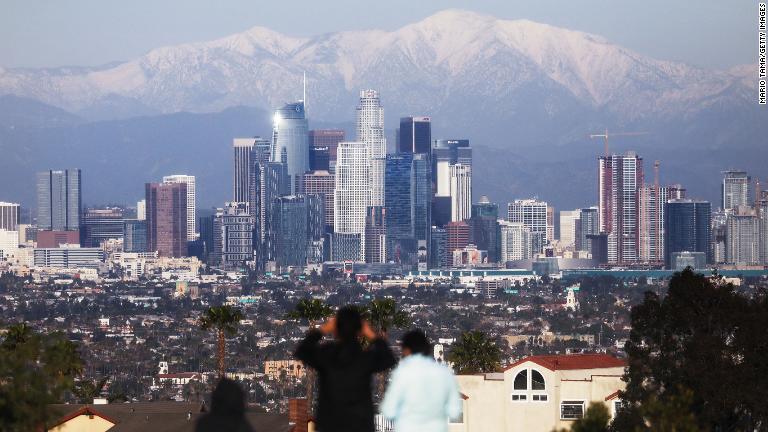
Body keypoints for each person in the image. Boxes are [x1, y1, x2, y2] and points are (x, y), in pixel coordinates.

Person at [294, 305, 396, 432]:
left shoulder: (326, 355)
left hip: (330, 425)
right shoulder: (364, 358)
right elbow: (389, 358)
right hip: (360, 426)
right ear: (359, 331)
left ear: (335, 330)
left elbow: (302, 351)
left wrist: (322, 330)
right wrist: (371, 334)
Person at [380, 330, 462, 432]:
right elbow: (454, 411)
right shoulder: (444, 372)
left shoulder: (402, 373)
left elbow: (388, 411)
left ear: (406, 350)